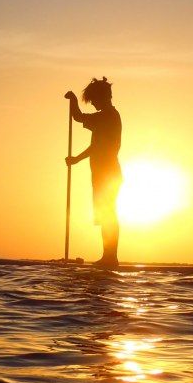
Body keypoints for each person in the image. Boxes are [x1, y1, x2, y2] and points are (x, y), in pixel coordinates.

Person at [64, 77, 122, 269]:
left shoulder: (107, 116)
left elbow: (94, 144)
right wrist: (76, 159)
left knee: (108, 214)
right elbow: (92, 140)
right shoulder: (105, 116)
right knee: (105, 215)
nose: (93, 104)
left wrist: (73, 100)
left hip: (108, 174)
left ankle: (111, 258)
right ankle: (108, 256)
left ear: (102, 97)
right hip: (103, 173)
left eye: (94, 100)